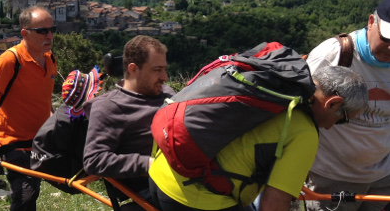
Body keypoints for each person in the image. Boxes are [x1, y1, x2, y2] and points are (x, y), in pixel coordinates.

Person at [148, 65, 369, 211]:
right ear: (333, 103)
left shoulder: (274, 89)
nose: (334, 127)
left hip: (161, 170)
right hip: (195, 198)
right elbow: (274, 205)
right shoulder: (304, 132)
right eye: (343, 120)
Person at [303, 0, 390, 211]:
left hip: (383, 178)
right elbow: (300, 110)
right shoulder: (335, 54)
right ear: (371, 22)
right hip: (332, 178)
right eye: (387, 37)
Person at [0, 6, 58, 211]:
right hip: (14, 144)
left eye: (52, 29)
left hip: (41, 142)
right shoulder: (10, 60)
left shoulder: (50, 58)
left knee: (32, 193)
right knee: (25, 196)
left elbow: (44, 100)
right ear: (25, 33)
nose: (49, 35)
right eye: (42, 31)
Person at [83, 35, 175, 210]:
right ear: (133, 69)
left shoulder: (166, 93)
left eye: (165, 69)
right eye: (157, 70)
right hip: (153, 189)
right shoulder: (109, 107)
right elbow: (94, 160)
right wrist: (148, 164)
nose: (165, 77)